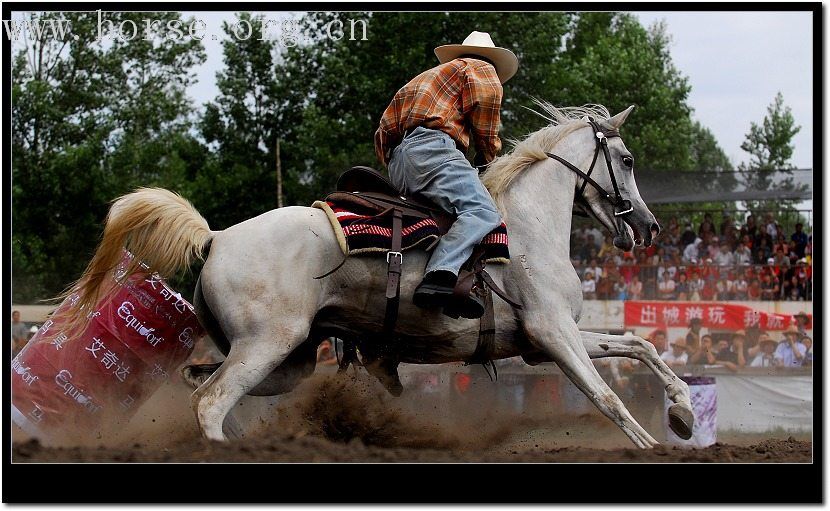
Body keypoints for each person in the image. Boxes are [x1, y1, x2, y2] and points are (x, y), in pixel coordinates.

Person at [374, 30, 519, 319]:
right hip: (435, 151)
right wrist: (489, 158)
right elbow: (487, 121)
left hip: (399, 162)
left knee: (440, 217)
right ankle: (440, 277)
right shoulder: (480, 68)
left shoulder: (421, 80)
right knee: (482, 212)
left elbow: (382, 133)